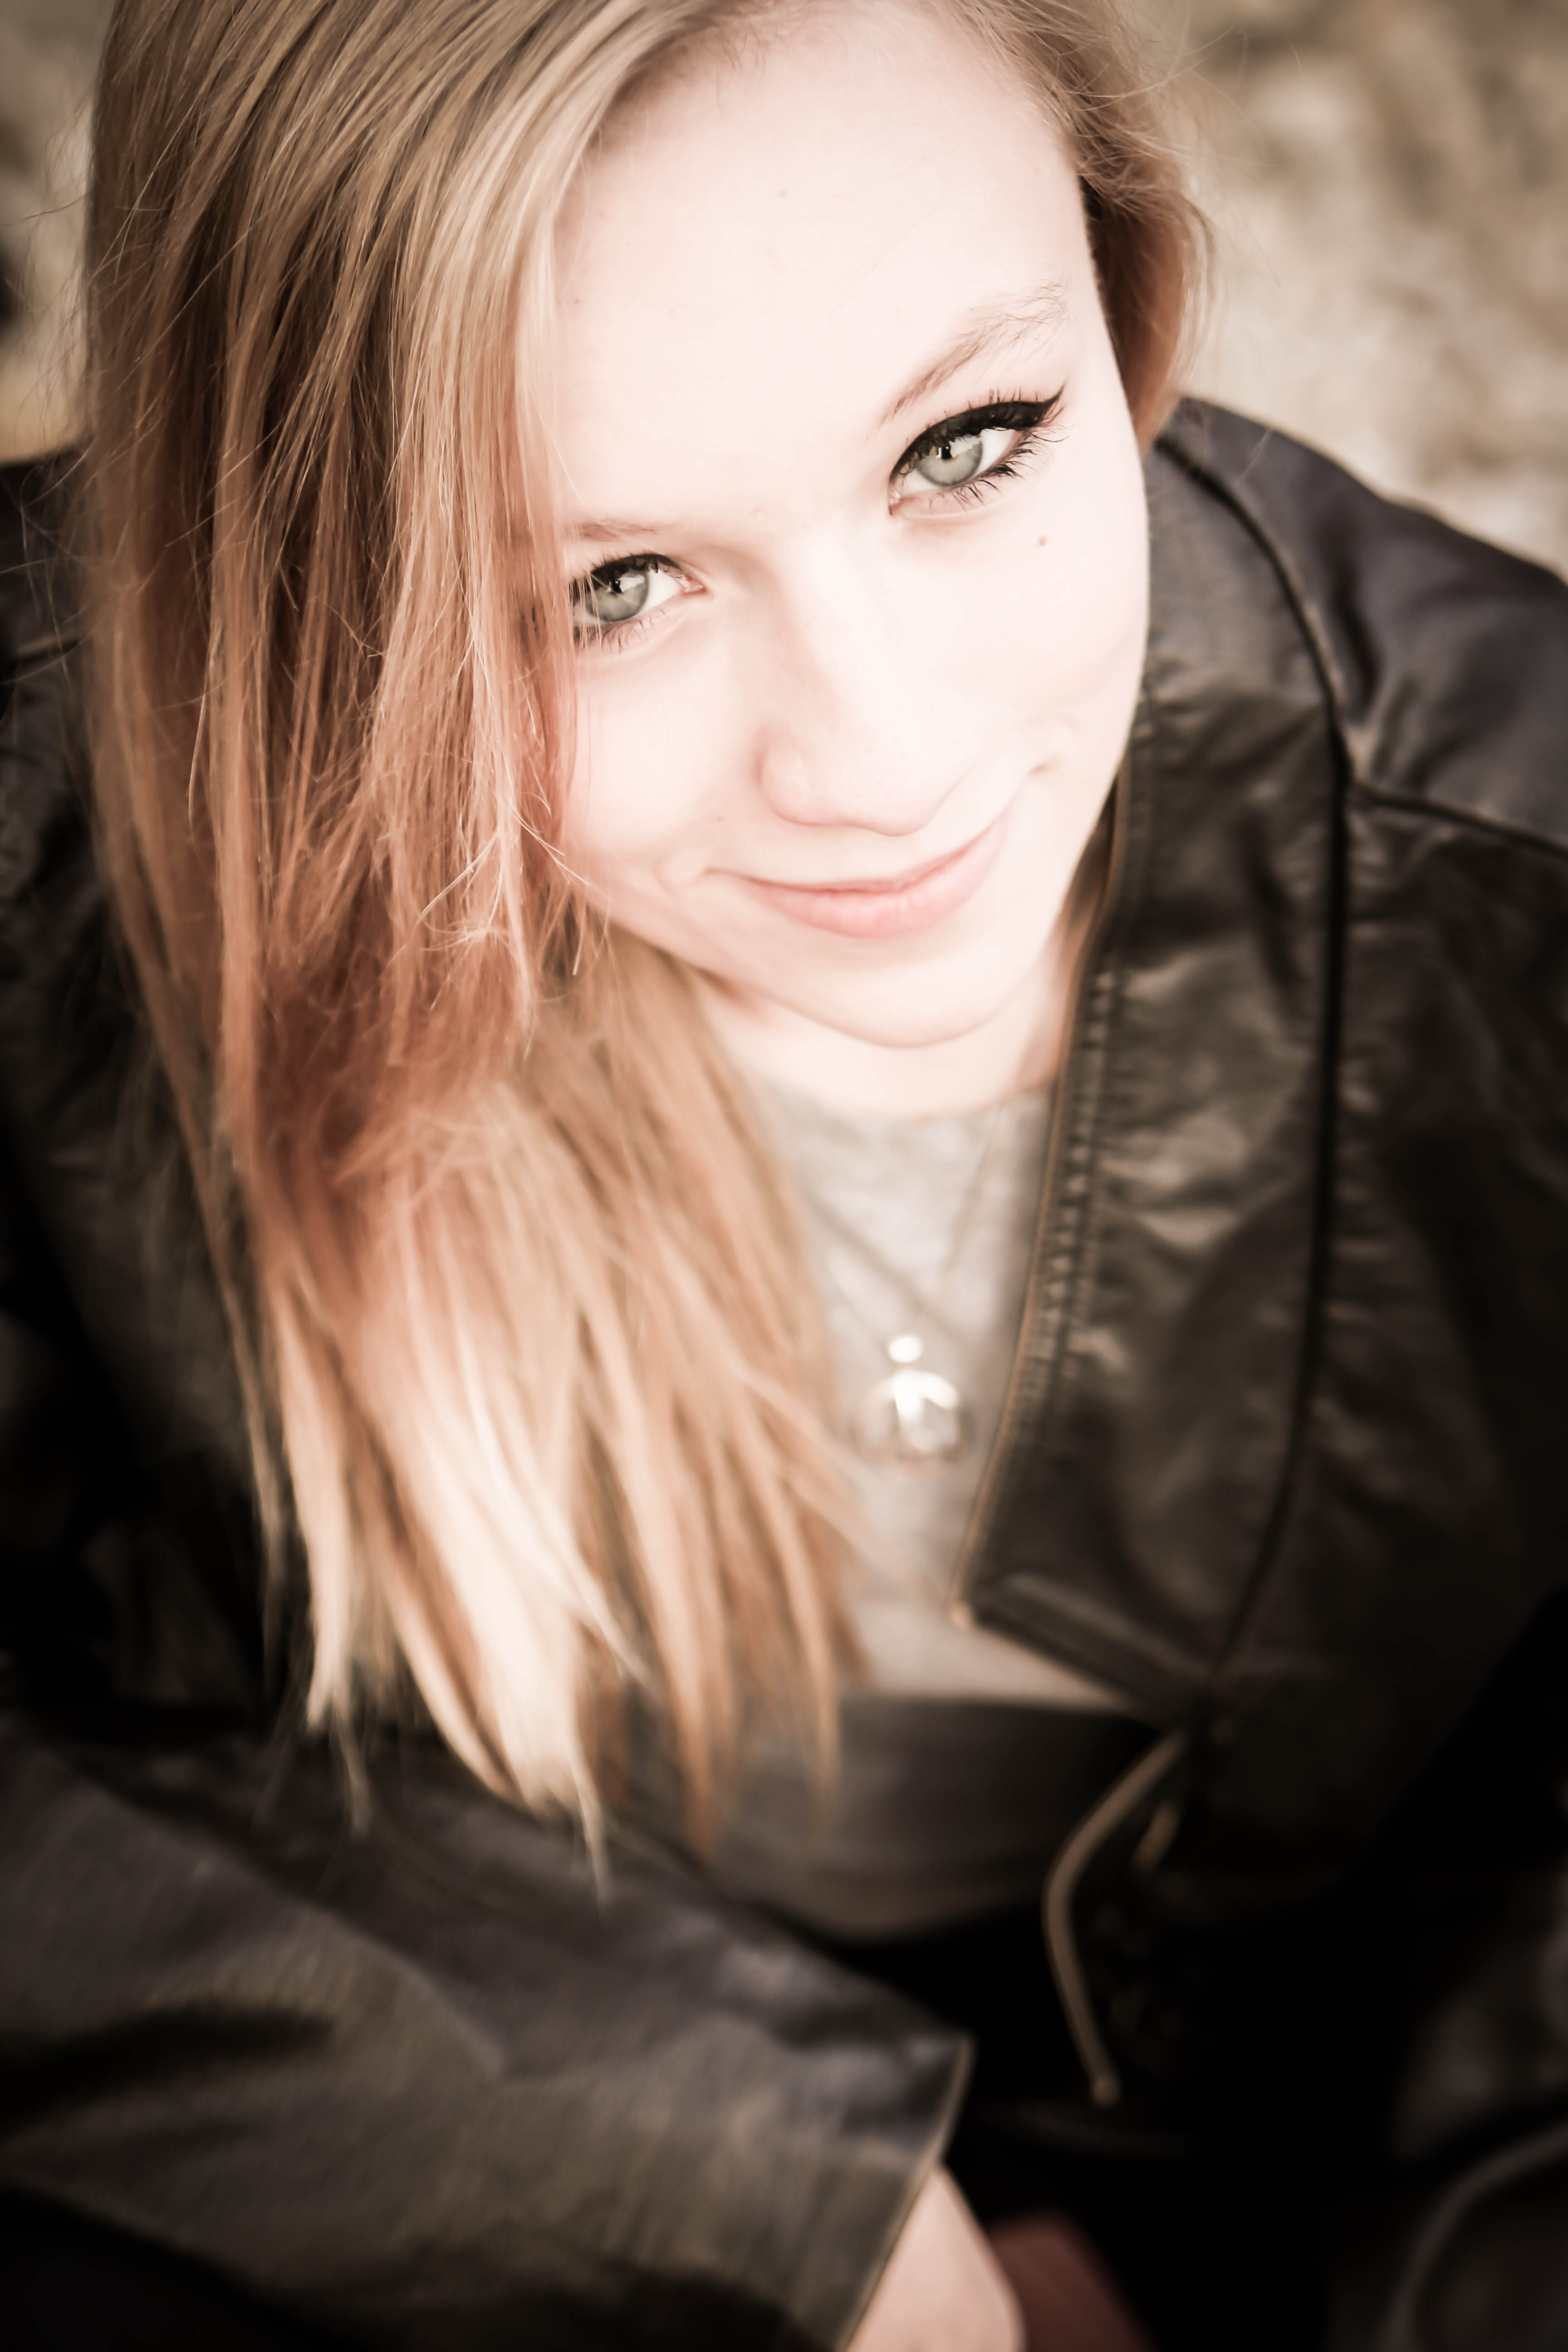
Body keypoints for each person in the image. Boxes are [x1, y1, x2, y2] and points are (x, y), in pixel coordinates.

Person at [1, 0, 1566, 2345]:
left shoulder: (1519, 888)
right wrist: (775, 2203)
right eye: (610, 585)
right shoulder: (50, 831)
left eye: (967, 442)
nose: (885, 754)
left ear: (1125, 286)